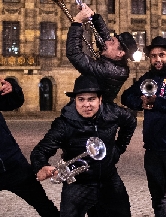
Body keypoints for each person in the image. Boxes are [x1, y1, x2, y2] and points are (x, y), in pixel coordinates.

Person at [30, 75, 137, 217]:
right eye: (81, 99)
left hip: (109, 179)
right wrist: (40, 166)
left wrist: (118, 148)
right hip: (78, 184)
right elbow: (40, 151)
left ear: (100, 99)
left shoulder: (113, 112)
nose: (86, 105)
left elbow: (130, 121)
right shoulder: (64, 124)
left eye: (91, 99)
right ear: (75, 100)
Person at [121, 36, 166, 216]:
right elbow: (126, 96)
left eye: (162, 55)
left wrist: (156, 102)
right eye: (153, 56)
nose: (157, 59)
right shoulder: (148, 77)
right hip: (152, 148)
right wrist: (141, 104)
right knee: (158, 197)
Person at [0, 77, 59, 217]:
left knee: (43, 205)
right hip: (10, 159)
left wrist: (12, 87)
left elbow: (13, 101)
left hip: (12, 162)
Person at [66, 3, 138, 102]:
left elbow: (74, 54)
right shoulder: (116, 63)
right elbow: (105, 37)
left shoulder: (110, 71)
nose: (106, 42)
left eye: (112, 42)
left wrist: (77, 23)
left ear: (120, 53)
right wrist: (94, 16)